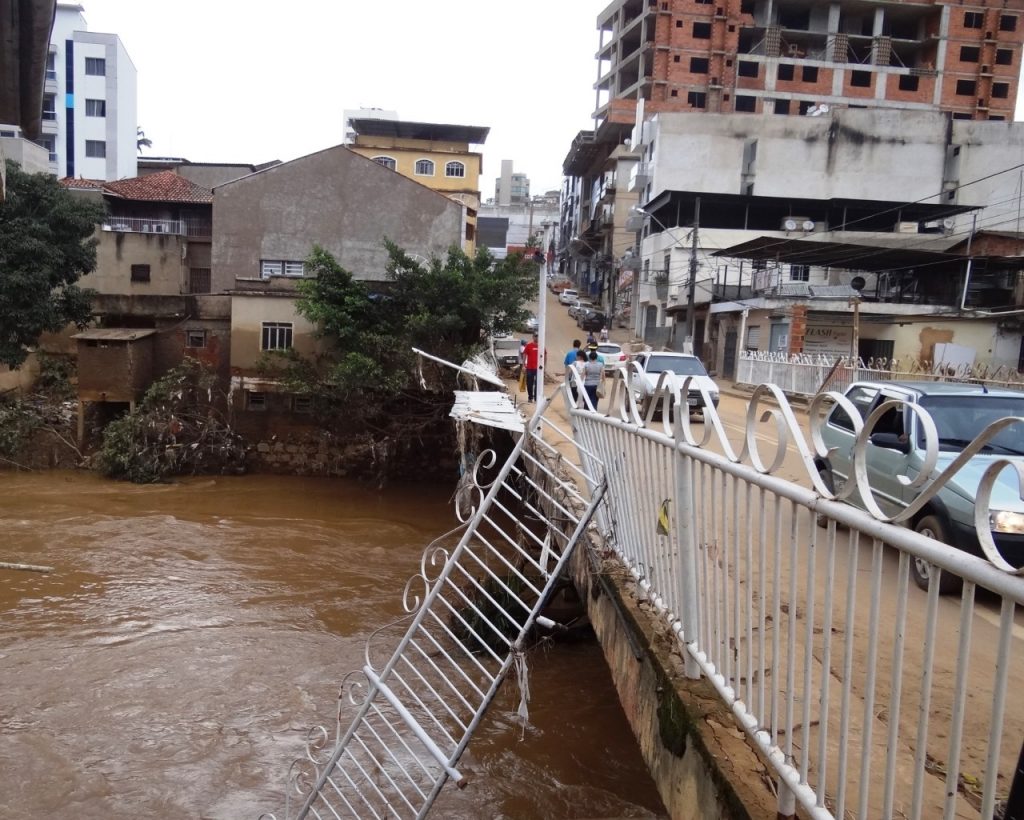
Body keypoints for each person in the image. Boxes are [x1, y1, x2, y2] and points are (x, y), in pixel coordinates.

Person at [523, 332, 540, 403]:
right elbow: (524, 354)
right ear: (533, 337)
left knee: (537, 383)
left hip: (538, 369)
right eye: (535, 336)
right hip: (529, 368)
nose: (536, 338)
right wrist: (524, 365)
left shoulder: (541, 346)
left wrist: (544, 366)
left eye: (537, 336)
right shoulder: (529, 345)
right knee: (529, 383)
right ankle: (530, 397)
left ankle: (536, 398)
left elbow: (545, 355)